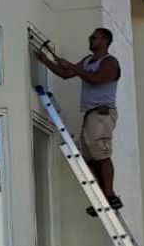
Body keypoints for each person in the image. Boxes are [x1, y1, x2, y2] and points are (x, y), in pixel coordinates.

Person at [35, 28, 122, 213]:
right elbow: (65, 74)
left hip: (102, 114)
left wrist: (74, 67)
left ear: (105, 40)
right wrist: (45, 61)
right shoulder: (87, 61)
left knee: (101, 152)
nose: (90, 40)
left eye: (95, 37)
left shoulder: (110, 63)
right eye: (90, 37)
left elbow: (96, 79)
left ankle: (110, 195)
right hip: (91, 114)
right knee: (89, 156)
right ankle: (101, 196)